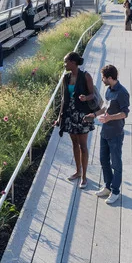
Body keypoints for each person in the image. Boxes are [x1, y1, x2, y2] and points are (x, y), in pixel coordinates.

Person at [89, 64, 129, 205]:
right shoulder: (108, 90)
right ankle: (107, 186)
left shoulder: (122, 92)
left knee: (116, 163)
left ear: (110, 78)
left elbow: (125, 113)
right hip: (105, 131)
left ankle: (115, 191)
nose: (102, 80)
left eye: (103, 78)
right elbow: (105, 107)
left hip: (116, 133)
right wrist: (94, 114)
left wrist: (110, 118)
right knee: (103, 160)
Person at [54, 51, 96, 189]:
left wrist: (85, 97)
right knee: (74, 144)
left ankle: (84, 176)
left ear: (73, 62)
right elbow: (63, 98)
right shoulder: (66, 78)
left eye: (66, 61)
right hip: (70, 115)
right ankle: (78, 172)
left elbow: (93, 94)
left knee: (83, 146)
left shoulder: (85, 76)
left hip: (82, 116)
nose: (64, 64)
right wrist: (59, 117)